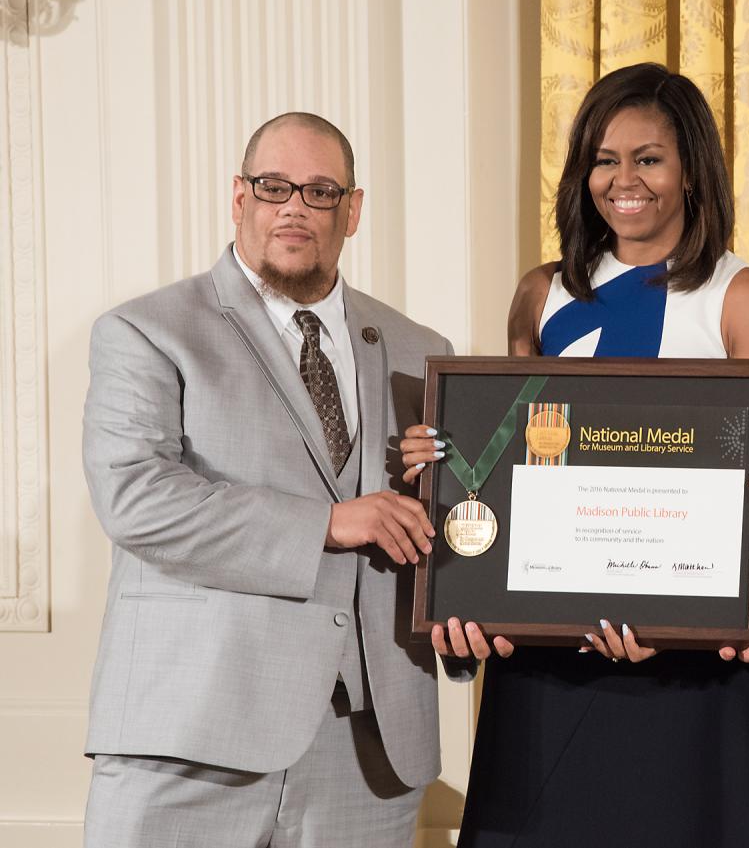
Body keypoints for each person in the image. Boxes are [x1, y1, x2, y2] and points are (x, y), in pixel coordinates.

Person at [402, 62, 749, 847]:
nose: (625, 180)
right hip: (546, 671)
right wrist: (442, 466)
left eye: (649, 158)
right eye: (604, 158)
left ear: (693, 169)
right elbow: (504, 475)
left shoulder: (743, 299)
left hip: (688, 674)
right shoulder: (541, 292)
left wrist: (687, 615)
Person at [81, 112, 466, 848]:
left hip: (368, 755)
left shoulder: (423, 351)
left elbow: (445, 524)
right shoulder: (148, 330)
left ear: (352, 210)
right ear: (239, 198)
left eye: (320, 191)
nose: (294, 206)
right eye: (273, 186)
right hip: (192, 740)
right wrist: (328, 521)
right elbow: (137, 499)